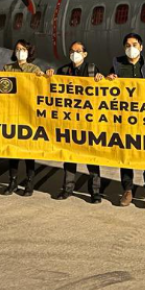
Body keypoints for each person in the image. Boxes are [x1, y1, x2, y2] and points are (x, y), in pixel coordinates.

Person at [106, 32, 145, 208]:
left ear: (141, 47)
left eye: (135, 45)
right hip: (124, 118)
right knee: (126, 153)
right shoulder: (117, 65)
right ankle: (128, 189)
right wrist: (108, 80)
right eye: (128, 45)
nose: (131, 48)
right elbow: (107, 90)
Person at [45, 41, 104, 204]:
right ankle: (67, 188)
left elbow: (101, 90)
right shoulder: (64, 70)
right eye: (72, 51)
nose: (74, 53)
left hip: (88, 120)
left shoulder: (92, 69)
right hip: (69, 119)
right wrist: (49, 76)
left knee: (91, 157)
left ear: (85, 54)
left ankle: (95, 191)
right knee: (69, 155)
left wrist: (101, 79)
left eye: (78, 51)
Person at [1, 39, 44, 197]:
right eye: (18, 49)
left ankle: (29, 182)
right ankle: (12, 181)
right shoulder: (7, 68)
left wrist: (43, 77)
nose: (20, 52)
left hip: (28, 115)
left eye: (23, 49)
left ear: (29, 52)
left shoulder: (34, 69)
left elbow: (41, 89)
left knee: (28, 151)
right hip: (12, 114)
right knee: (13, 150)